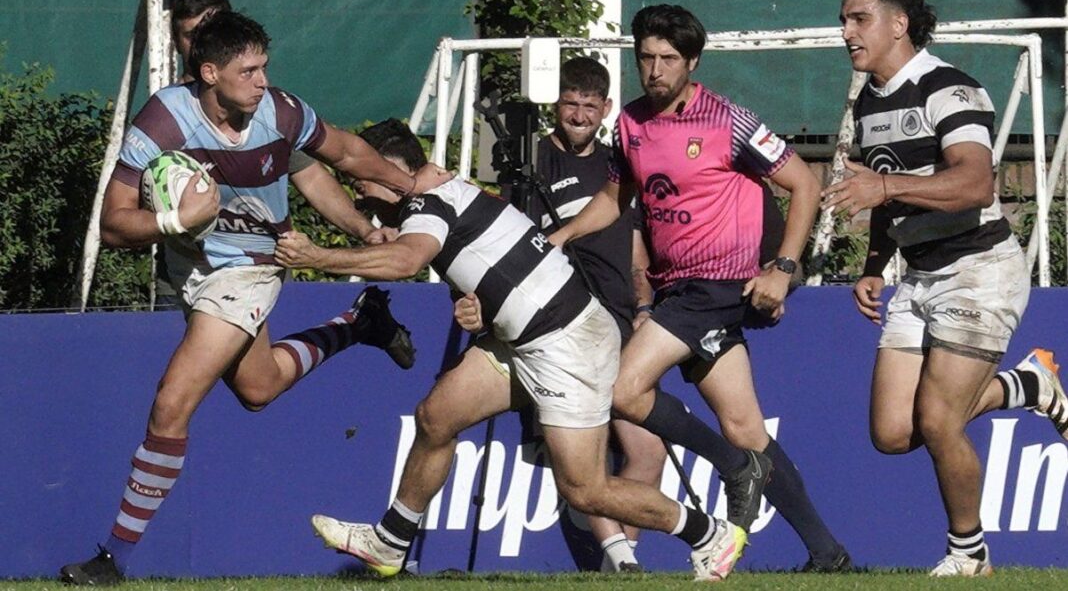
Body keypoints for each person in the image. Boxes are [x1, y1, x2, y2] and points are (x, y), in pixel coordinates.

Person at [58, 11, 450, 585]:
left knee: (173, 401)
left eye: (265, 66)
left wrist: (405, 192)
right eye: (250, 70)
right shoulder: (165, 120)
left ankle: (112, 557)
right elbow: (114, 226)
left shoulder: (280, 110)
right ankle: (359, 324)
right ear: (209, 72)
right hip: (191, 263)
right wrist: (176, 218)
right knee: (258, 387)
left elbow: (337, 156)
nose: (263, 80)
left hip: (248, 270)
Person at [275, 119, 748, 583]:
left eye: (361, 183)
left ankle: (710, 534)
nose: (359, 196)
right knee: (437, 417)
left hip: (567, 344)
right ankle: (390, 542)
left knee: (585, 490)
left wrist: (318, 257)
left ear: (390, 170)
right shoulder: (442, 187)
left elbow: (406, 260)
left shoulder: (427, 204)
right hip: (527, 338)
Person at [548, 4, 851, 571]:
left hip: (715, 288)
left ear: (691, 62)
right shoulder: (631, 124)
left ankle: (731, 469)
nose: (655, 69)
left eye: (668, 59)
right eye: (646, 58)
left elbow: (804, 184)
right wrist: (563, 234)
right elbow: (616, 199)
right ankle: (827, 552)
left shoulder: (727, 121)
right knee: (746, 429)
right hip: (675, 291)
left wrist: (783, 267)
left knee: (624, 389)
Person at [826, 0, 1068, 577]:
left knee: (938, 421)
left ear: (899, 24)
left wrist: (883, 190)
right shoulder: (868, 103)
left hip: (978, 269)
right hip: (919, 274)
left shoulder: (949, 88)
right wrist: (873, 265)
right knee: (891, 433)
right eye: (843, 20)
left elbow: (976, 185)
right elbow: (885, 189)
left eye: (860, 19)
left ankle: (970, 554)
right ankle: (1027, 387)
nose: (847, 32)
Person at [455, 56, 667, 572]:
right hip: (559, 329)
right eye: (570, 103)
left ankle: (620, 560)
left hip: (620, 325)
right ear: (557, 106)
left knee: (649, 450)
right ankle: (621, 565)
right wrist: (474, 303)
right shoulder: (530, 166)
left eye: (589, 106)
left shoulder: (620, 165)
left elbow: (636, 246)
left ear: (606, 109)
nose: (578, 114)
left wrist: (643, 305)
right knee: (585, 461)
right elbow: (494, 246)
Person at [152, 0, 392, 309]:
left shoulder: (265, 111)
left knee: (271, 360)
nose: (200, 42)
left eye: (211, 30)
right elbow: (128, 207)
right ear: (176, 42)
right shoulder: (163, 117)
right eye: (191, 35)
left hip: (259, 275)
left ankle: (355, 326)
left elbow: (311, 176)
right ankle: (355, 327)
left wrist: (366, 231)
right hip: (184, 277)